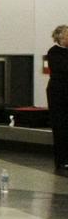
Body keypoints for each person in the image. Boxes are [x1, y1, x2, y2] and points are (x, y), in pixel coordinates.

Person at [48, 25, 68, 173]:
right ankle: (61, 160)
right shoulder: (54, 52)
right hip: (58, 93)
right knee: (60, 126)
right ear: (60, 37)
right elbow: (62, 69)